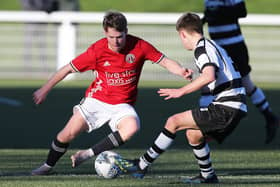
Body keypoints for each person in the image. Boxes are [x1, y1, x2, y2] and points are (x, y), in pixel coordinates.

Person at [31, 10, 191, 176]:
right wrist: (44, 89)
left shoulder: (139, 46)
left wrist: (180, 70)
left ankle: (86, 154)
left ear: (126, 31)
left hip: (122, 104)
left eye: (120, 37)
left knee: (131, 127)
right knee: (66, 135)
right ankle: (47, 166)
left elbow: (164, 61)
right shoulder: (96, 51)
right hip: (97, 100)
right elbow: (67, 69)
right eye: (111, 37)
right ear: (105, 33)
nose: (116, 42)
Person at [116, 12, 247, 184]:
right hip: (235, 106)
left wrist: (181, 91)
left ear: (183, 34)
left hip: (227, 107)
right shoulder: (211, 45)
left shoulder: (202, 48)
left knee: (173, 121)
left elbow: (209, 75)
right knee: (193, 135)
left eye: (180, 37)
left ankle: (142, 163)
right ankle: (208, 176)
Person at [202, 0, 279, 144]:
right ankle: (205, 129)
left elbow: (241, 11)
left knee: (245, 84)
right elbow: (211, 15)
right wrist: (203, 20)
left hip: (234, 46)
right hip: (218, 47)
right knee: (207, 83)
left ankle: (270, 117)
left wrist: (216, 14)